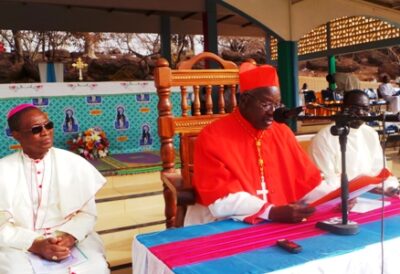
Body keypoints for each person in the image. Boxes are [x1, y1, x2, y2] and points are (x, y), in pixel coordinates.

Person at [184, 63, 328, 226]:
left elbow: (307, 181)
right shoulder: (212, 136)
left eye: (277, 105)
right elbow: (221, 199)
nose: (272, 112)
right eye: (266, 104)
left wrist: (336, 199)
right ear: (244, 101)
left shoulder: (283, 132)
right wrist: (271, 212)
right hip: (225, 221)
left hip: (281, 217)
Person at [0, 104, 109, 274]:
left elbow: (88, 213)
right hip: (21, 243)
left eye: (48, 125)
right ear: (16, 135)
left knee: (96, 268)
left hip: (67, 236)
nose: (45, 132)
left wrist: (69, 237)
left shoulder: (74, 163)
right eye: (36, 129)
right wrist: (36, 244)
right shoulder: (3, 170)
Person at [309, 89, 399, 196]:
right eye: (354, 108)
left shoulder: (370, 133)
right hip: (340, 197)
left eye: (365, 109)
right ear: (343, 108)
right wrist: (350, 192)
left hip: (372, 193)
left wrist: (388, 187)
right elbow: (326, 181)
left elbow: (379, 170)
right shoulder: (324, 137)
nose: (360, 113)